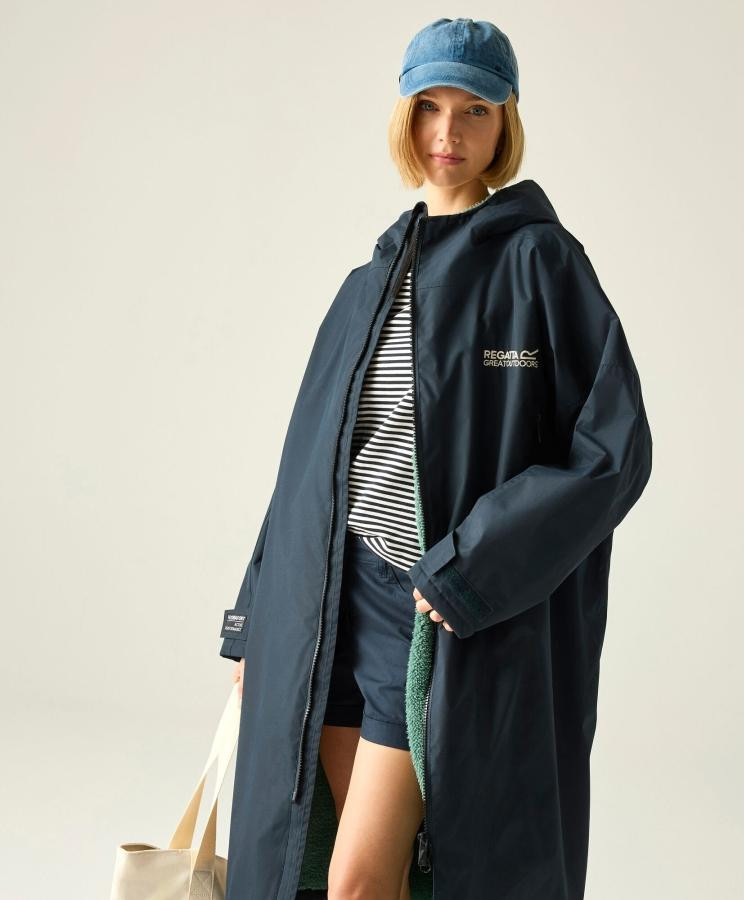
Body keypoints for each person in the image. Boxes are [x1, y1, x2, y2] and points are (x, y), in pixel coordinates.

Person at [220, 17, 653, 900]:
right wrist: (254, 617)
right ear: (403, 116)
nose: (447, 133)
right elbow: (308, 470)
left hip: (425, 614)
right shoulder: (368, 280)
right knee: (333, 867)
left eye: (474, 111)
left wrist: (471, 566)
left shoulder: (540, 263)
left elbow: (614, 448)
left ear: (505, 123)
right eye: (429, 107)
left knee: (358, 880)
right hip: (325, 607)